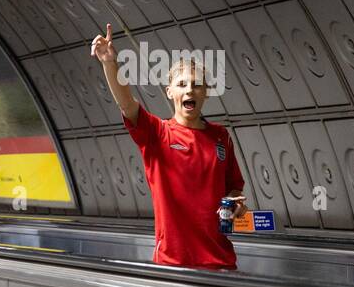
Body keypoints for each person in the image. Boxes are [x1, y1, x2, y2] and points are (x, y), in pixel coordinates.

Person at [91, 24, 246, 270]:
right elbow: (127, 103)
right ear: (170, 92)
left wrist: (235, 204)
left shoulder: (221, 137)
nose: (189, 90)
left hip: (221, 261)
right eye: (182, 84)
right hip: (173, 263)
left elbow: (233, 187)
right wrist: (110, 63)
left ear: (206, 93)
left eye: (196, 85)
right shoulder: (157, 133)